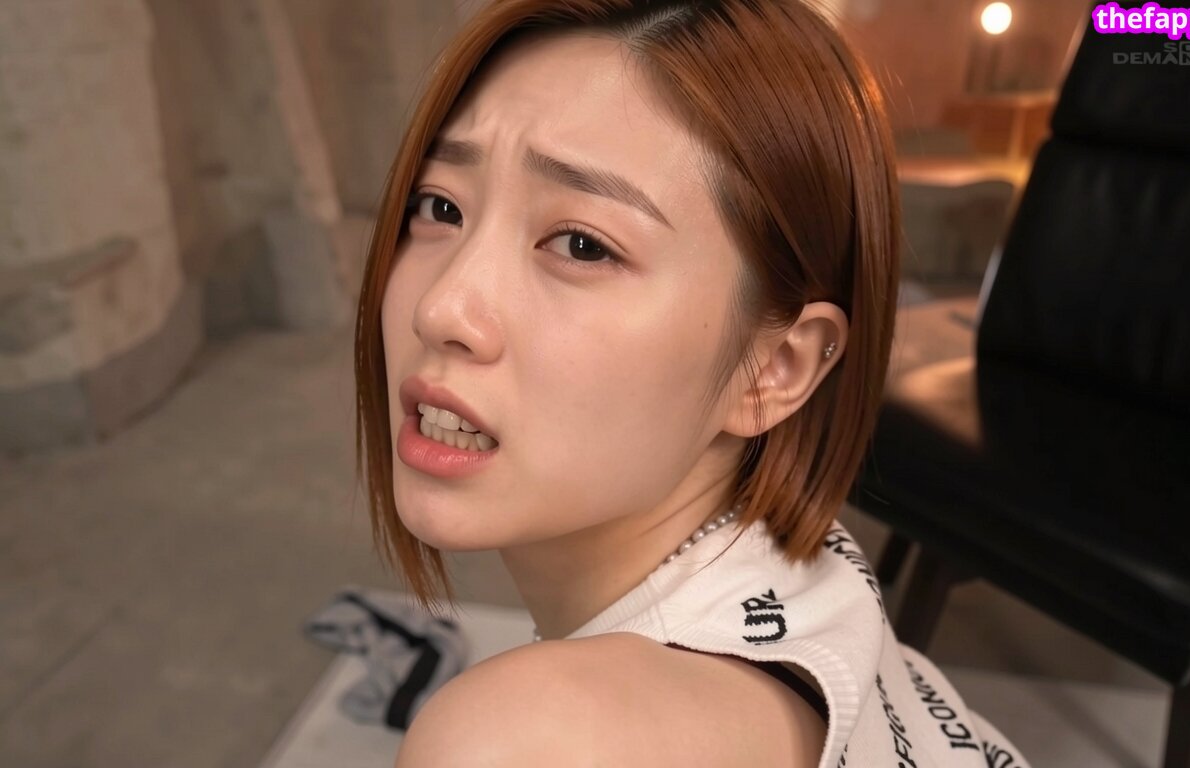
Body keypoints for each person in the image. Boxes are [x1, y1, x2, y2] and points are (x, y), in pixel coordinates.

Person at [352, 1, 1029, 765]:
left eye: (581, 245)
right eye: (440, 206)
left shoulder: (519, 744)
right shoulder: (815, 598)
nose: (442, 307)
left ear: (775, 368)